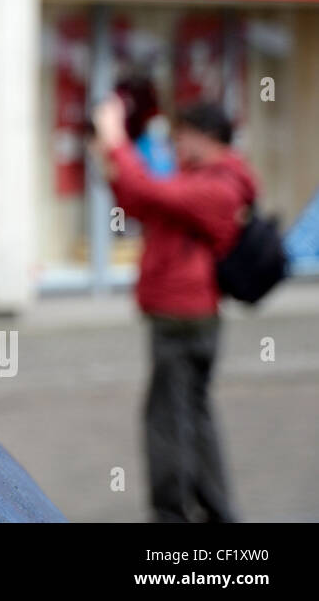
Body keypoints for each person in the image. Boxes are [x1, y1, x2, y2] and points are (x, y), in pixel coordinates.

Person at [91, 95, 256, 522]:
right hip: (185, 315)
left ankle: (172, 513)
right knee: (193, 414)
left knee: (166, 418)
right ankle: (215, 507)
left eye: (182, 134)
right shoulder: (202, 178)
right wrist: (112, 161)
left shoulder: (218, 185)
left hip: (184, 317)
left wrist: (114, 137)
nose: (175, 143)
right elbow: (139, 200)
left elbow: (149, 191)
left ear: (207, 137)